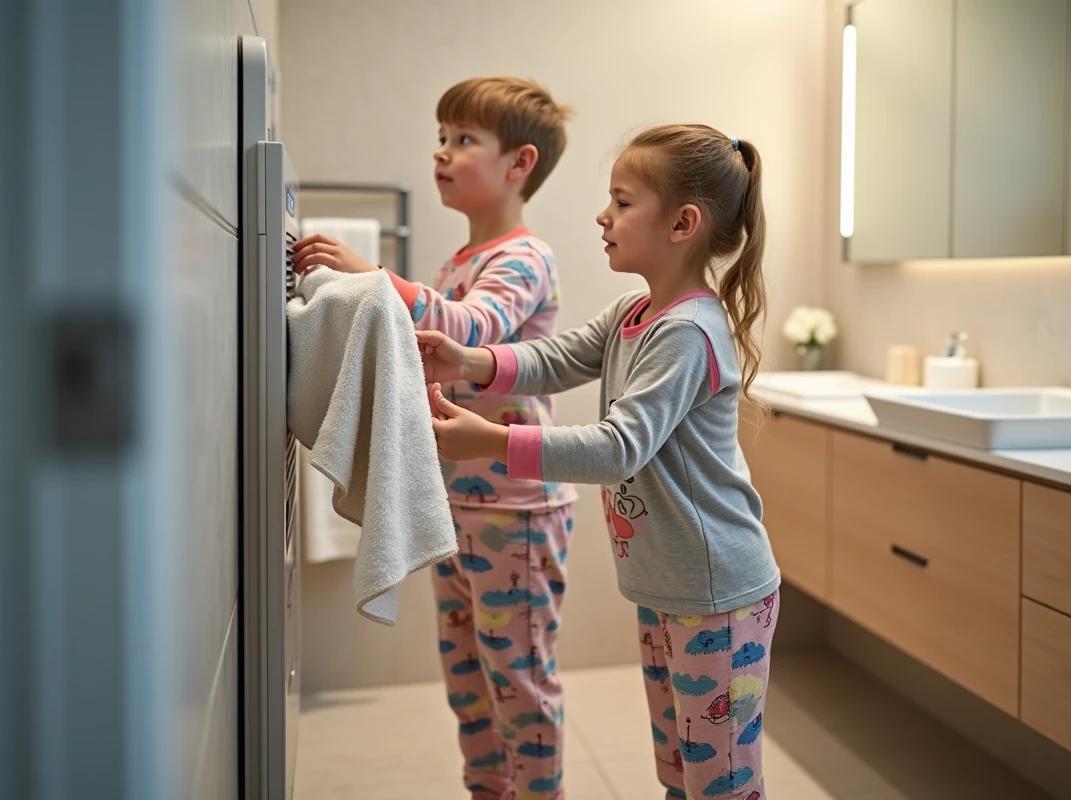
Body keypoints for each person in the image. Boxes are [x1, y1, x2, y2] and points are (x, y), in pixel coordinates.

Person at [417, 123, 780, 800]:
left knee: (719, 782)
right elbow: (556, 359)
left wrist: (493, 442)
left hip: (718, 594)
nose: (601, 216)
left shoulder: (687, 332)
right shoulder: (634, 312)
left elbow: (618, 448)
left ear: (682, 223)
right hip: (666, 586)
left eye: (621, 201)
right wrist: (470, 360)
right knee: (681, 771)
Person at [292, 76, 576, 799]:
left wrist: (375, 277)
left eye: (463, 140)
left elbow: (473, 330)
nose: (441, 153)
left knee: (517, 679)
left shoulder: (525, 256)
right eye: (441, 138)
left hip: (517, 505)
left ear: (520, 164)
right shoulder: (458, 261)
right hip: (460, 504)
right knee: (470, 678)